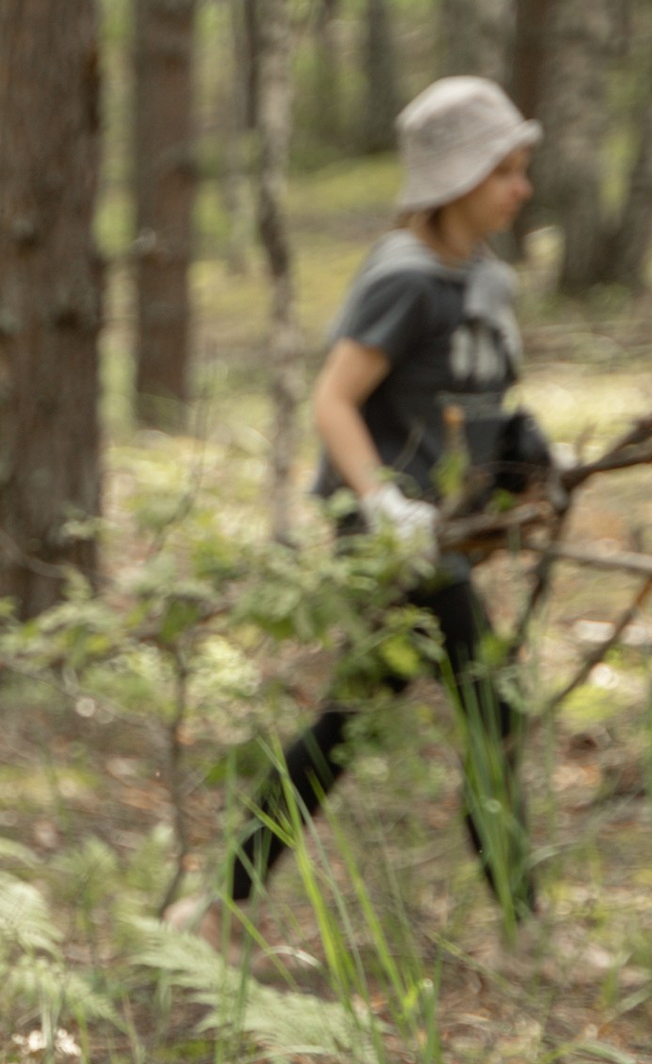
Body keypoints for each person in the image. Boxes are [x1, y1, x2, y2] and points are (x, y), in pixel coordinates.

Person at [222, 75, 553, 921]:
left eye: (522, 168)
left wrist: (521, 459)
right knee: (491, 710)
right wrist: (381, 505)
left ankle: (226, 898)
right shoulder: (405, 279)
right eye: (503, 171)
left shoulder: (485, 278)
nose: (521, 187)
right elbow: (334, 399)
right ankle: (524, 923)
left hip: (447, 531)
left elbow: (467, 398)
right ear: (455, 180)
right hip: (394, 541)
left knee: (353, 722)